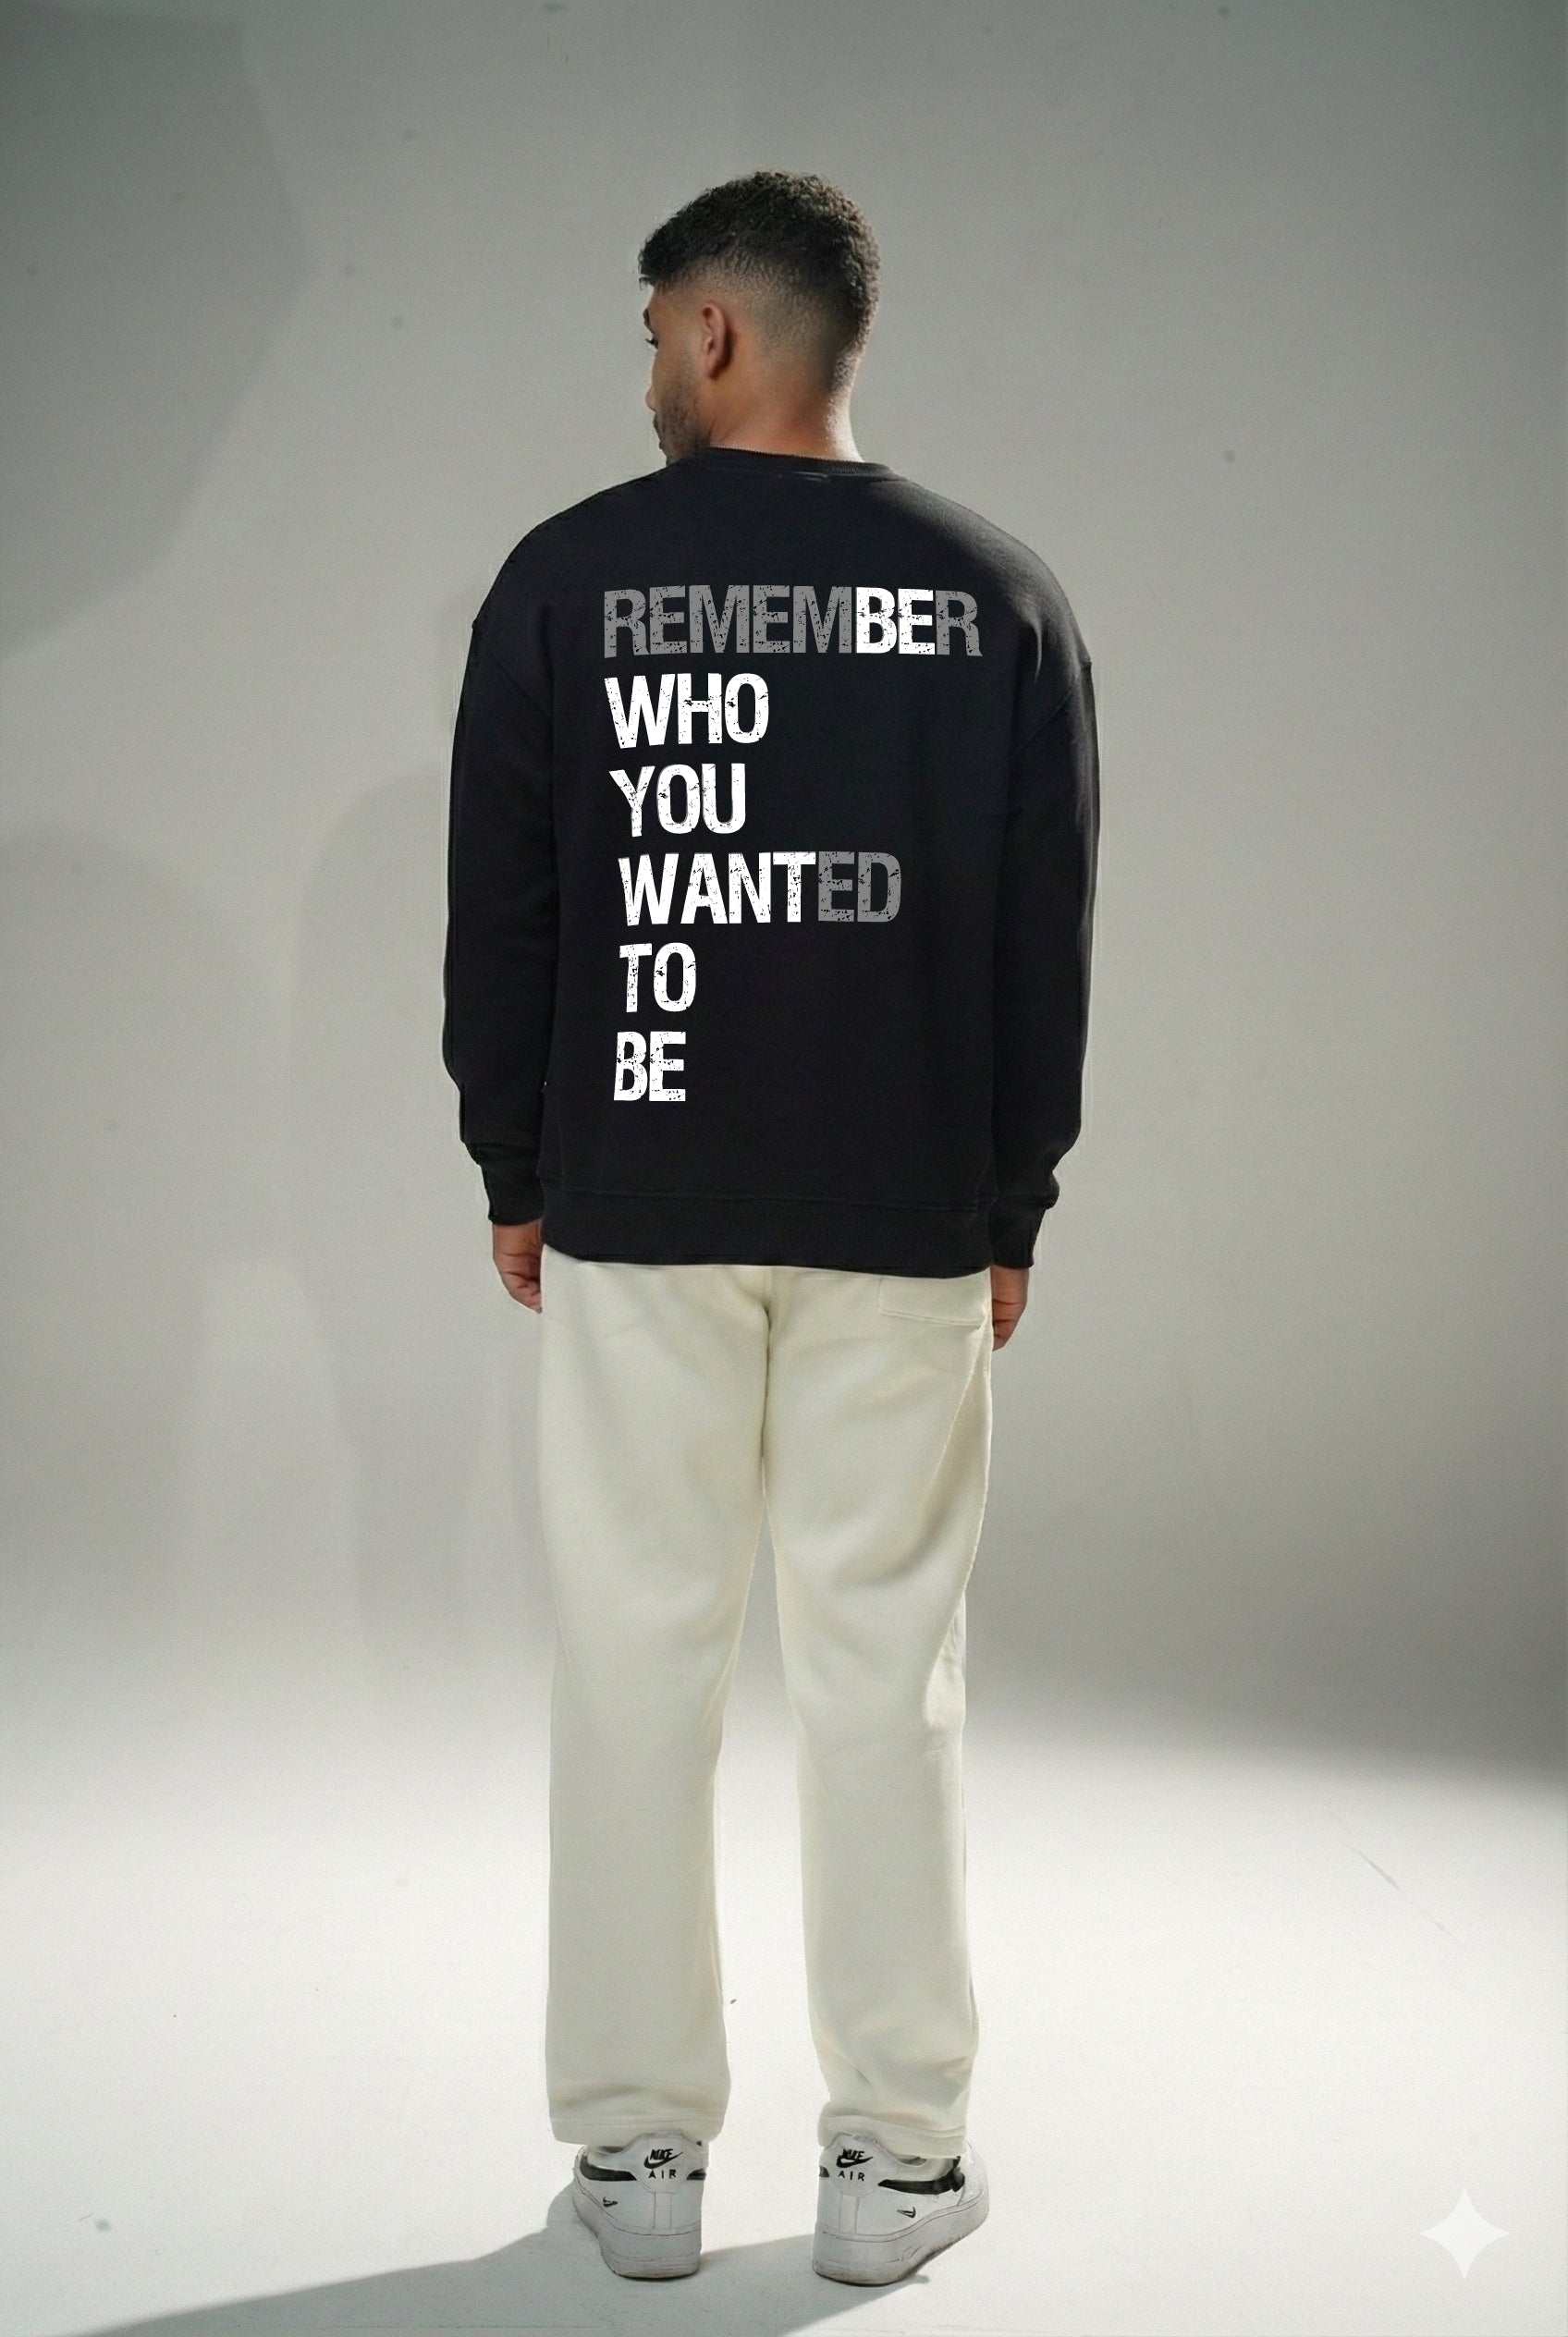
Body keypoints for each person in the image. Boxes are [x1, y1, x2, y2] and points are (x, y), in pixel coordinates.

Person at [442, 168, 1099, 2288]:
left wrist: (517, 1167)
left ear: (716, 330)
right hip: (901, 1214)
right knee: (883, 1674)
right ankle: (894, 2162)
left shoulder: (563, 583)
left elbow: (508, 913)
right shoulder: (995, 598)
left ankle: (636, 2152)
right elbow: (1037, 945)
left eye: (654, 331)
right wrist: (1010, 1201)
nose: (646, 368)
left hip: (638, 1203)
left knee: (634, 1664)